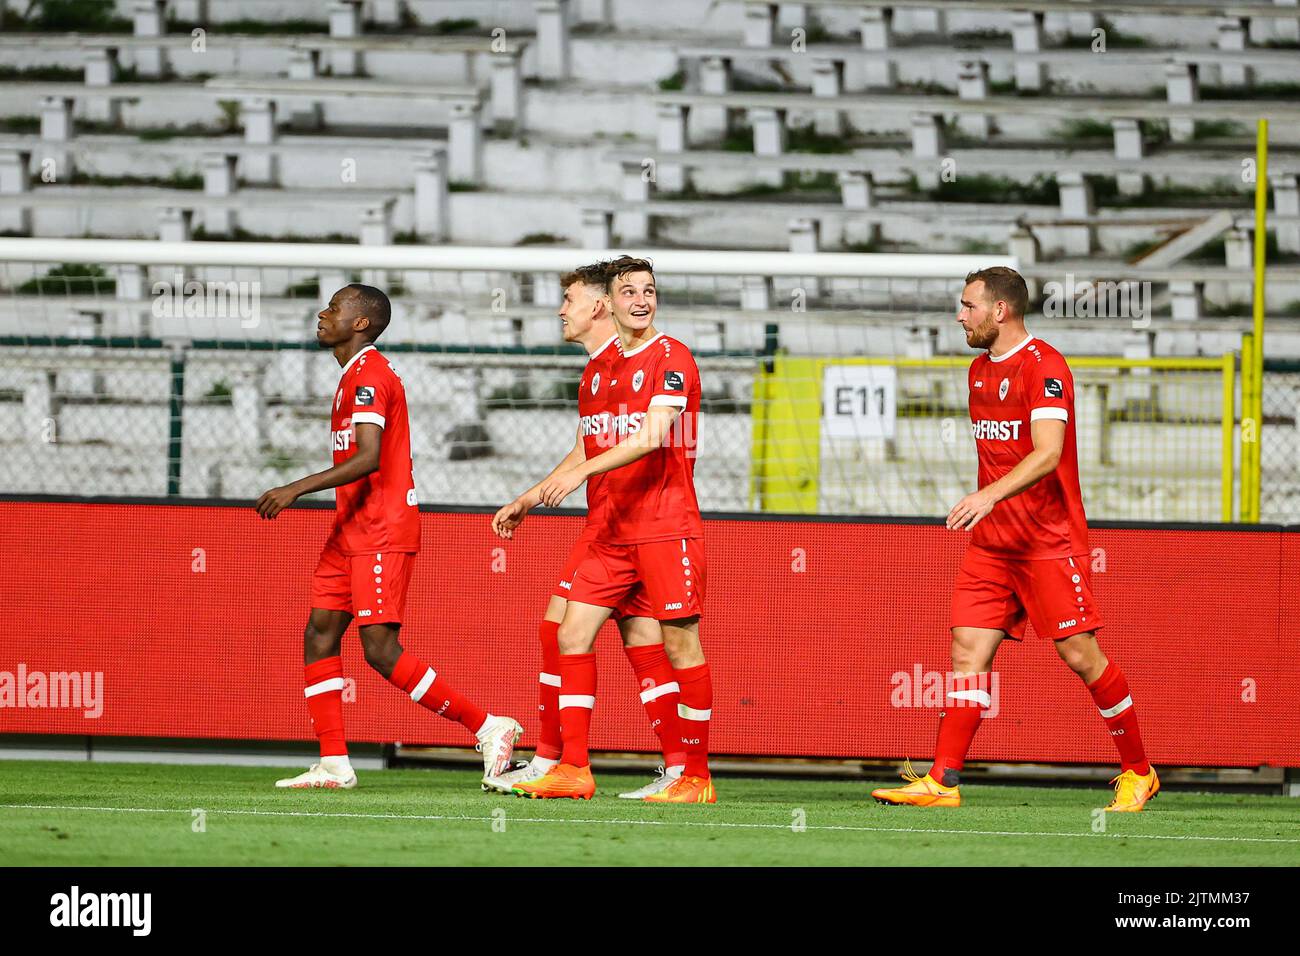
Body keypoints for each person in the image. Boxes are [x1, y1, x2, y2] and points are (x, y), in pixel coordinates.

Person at [872, 267, 1158, 812]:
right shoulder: (979, 371)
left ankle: (1138, 771)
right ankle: (942, 781)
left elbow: (1048, 452)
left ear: (999, 310)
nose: (960, 316)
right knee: (966, 651)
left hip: (1047, 541)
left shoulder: (1045, 368)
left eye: (967, 306)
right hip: (993, 546)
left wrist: (987, 497)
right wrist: (991, 508)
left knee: (1081, 655)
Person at [257, 284, 521, 789]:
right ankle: (334, 762)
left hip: (381, 528)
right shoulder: (352, 375)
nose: (323, 313)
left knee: (379, 649)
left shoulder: (370, 376)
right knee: (320, 631)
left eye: (334, 308)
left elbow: (368, 457)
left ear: (360, 323)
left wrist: (295, 487)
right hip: (351, 527)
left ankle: (489, 727)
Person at [514, 257, 715, 803]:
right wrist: (532, 496)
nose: (641, 300)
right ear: (612, 301)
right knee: (569, 635)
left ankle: (694, 775)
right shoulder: (600, 370)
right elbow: (591, 442)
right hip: (611, 531)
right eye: (630, 291)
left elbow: (651, 437)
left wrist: (577, 475)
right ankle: (573, 769)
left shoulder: (671, 357)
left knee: (678, 644)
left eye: (648, 290)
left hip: (664, 526)